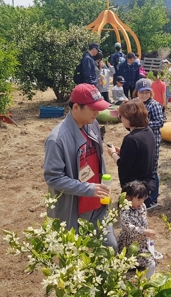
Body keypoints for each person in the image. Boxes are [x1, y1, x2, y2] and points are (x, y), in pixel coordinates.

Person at [44, 83, 117, 251]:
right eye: (93, 109)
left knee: (110, 249)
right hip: (74, 209)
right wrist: (87, 188)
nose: (97, 113)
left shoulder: (92, 124)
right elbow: (53, 178)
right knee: (73, 257)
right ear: (76, 107)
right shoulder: (57, 140)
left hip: (99, 204)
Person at [106, 99, 157, 209]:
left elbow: (123, 164)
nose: (121, 120)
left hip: (134, 189)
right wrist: (123, 152)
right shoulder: (148, 131)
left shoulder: (131, 139)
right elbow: (139, 155)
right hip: (147, 184)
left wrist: (113, 153)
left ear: (130, 118)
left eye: (121, 117)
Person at [134, 78, 165, 209]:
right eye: (142, 92)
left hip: (152, 143)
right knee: (143, 170)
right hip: (140, 143)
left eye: (147, 92)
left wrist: (142, 125)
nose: (144, 95)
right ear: (137, 92)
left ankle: (153, 199)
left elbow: (159, 122)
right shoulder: (136, 104)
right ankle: (144, 196)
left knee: (152, 170)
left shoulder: (155, 105)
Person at [117, 181, 156, 279]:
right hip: (130, 244)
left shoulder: (142, 206)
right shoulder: (125, 210)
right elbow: (128, 227)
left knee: (150, 263)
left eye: (143, 198)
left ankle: (150, 285)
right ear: (128, 198)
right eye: (139, 199)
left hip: (142, 242)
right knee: (125, 264)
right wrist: (144, 232)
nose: (142, 201)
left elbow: (143, 220)